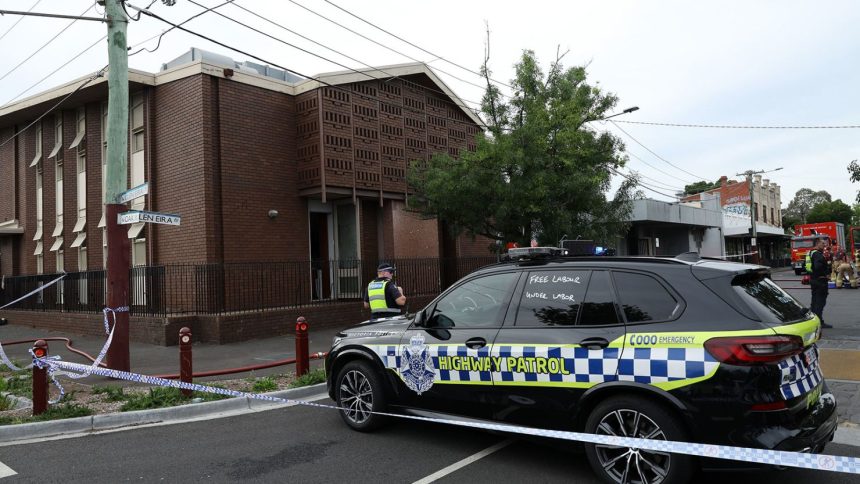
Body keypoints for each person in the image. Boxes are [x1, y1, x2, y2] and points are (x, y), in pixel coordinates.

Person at [805, 238, 832, 328]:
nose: (824, 245)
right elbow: (818, 266)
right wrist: (826, 273)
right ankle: (819, 322)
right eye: (822, 243)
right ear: (817, 243)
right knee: (820, 302)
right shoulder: (818, 254)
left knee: (814, 301)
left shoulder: (810, 252)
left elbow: (805, 266)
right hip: (820, 281)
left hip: (814, 280)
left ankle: (812, 320)